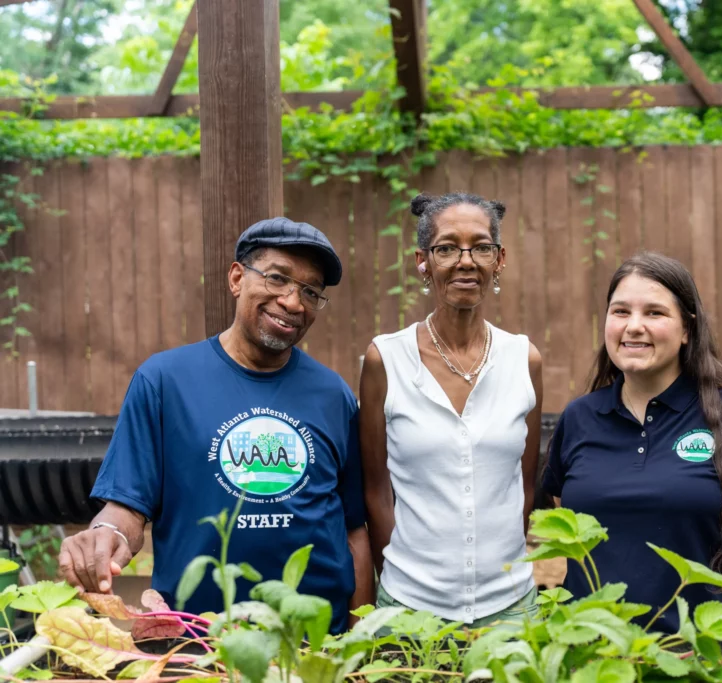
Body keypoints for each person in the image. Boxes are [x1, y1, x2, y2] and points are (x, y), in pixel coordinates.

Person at [59, 217, 374, 633]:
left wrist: (360, 642)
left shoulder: (333, 395)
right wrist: (105, 534)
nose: (294, 302)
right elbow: (126, 506)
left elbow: (354, 530)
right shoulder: (164, 381)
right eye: (278, 278)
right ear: (237, 278)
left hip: (315, 643)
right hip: (198, 641)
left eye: (311, 292)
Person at [542, 251, 722, 633]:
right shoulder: (580, 419)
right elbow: (571, 526)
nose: (634, 326)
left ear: (688, 329)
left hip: (707, 654)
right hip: (595, 657)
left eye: (655, 313)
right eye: (620, 311)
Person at [360, 192, 543, 627]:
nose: (466, 261)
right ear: (423, 261)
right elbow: (376, 489)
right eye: (447, 248)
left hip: (511, 608)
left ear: (499, 260)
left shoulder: (523, 360)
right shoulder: (385, 360)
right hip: (409, 605)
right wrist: (400, 582)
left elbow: (525, 486)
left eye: (481, 247)